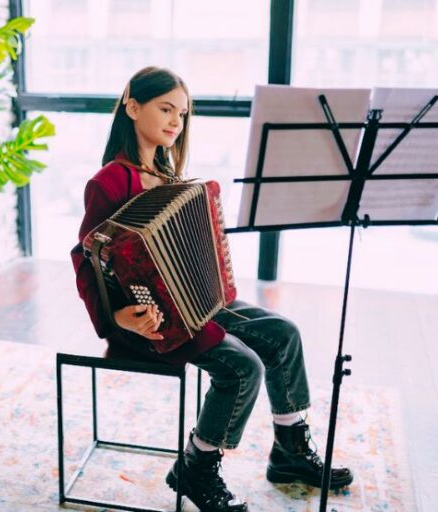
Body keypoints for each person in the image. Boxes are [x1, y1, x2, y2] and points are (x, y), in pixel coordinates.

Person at [70, 66, 354, 512]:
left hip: (195, 305)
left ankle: (290, 452)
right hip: (147, 322)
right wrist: (116, 318)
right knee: (242, 367)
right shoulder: (108, 182)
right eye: (166, 109)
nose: (175, 122)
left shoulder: (167, 173)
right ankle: (197, 467)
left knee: (284, 333)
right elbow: (85, 259)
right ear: (132, 107)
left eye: (181, 114)